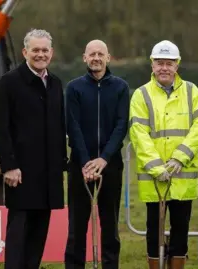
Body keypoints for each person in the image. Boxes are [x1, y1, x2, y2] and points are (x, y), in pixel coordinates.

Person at [0, 28, 67, 269]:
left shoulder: (55, 84)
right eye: (35, 50)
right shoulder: (9, 82)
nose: (40, 54)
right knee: (19, 235)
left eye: (45, 50)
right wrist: (9, 166)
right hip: (20, 174)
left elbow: (58, 125)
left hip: (48, 176)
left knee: (38, 235)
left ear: (51, 53)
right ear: (25, 52)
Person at [129, 40, 198, 269]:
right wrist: (157, 167)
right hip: (154, 179)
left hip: (183, 175)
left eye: (169, 63)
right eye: (159, 63)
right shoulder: (141, 95)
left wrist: (179, 158)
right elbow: (138, 133)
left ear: (177, 65)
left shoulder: (192, 92)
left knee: (181, 229)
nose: (164, 67)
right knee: (154, 228)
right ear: (152, 65)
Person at [64, 39, 130, 269]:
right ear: (84, 57)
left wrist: (104, 159)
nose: (96, 58)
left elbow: (121, 126)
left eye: (101, 54)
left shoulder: (120, 87)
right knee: (76, 228)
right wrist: (86, 162)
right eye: (92, 54)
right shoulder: (74, 88)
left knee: (110, 227)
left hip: (110, 165)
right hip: (79, 166)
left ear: (108, 57)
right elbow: (73, 126)